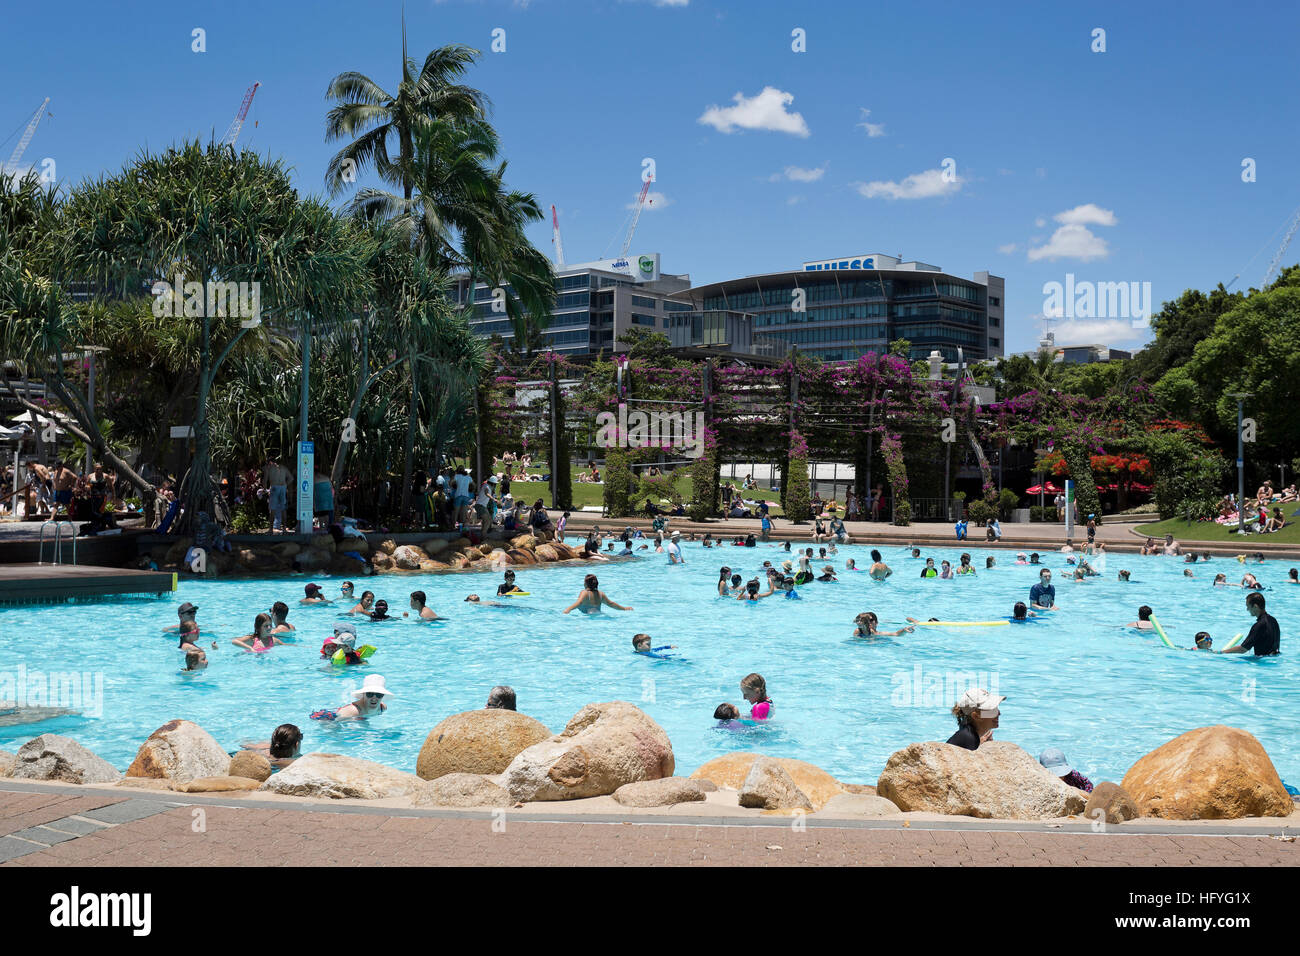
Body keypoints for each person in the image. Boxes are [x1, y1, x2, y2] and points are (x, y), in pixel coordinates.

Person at [1222, 592, 1280, 656]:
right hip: (1274, 658)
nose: (1247, 609)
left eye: (1248, 607)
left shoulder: (1259, 625)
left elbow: (1243, 649)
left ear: (1255, 606)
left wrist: (1221, 652)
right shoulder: (1273, 620)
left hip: (1263, 663)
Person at [328, 674, 393, 720]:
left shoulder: (382, 708)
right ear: (363, 694)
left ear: (383, 695)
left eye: (379, 694)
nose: (374, 698)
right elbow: (332, 724)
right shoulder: (353, 711)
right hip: (328, 717)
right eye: (370, 694)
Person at [563, 574, 632, 613]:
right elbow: (611, 604)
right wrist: (624, 608)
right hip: (599, 615)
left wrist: (568, 609)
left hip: (586, 618)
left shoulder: (584, 593)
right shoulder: (601, 594)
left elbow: (579, 602)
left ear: (586, 584)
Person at [264, 458, 291, 532]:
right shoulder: (283, 468)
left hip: (275, 488)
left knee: (272, 509)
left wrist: (265, 489)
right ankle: (284, 529)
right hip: (283, 488)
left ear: (270, 462)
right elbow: (291, 478)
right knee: (283, 509)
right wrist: (285, 485)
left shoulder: (269, 468)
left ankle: (270, 529)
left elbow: (265, 480)